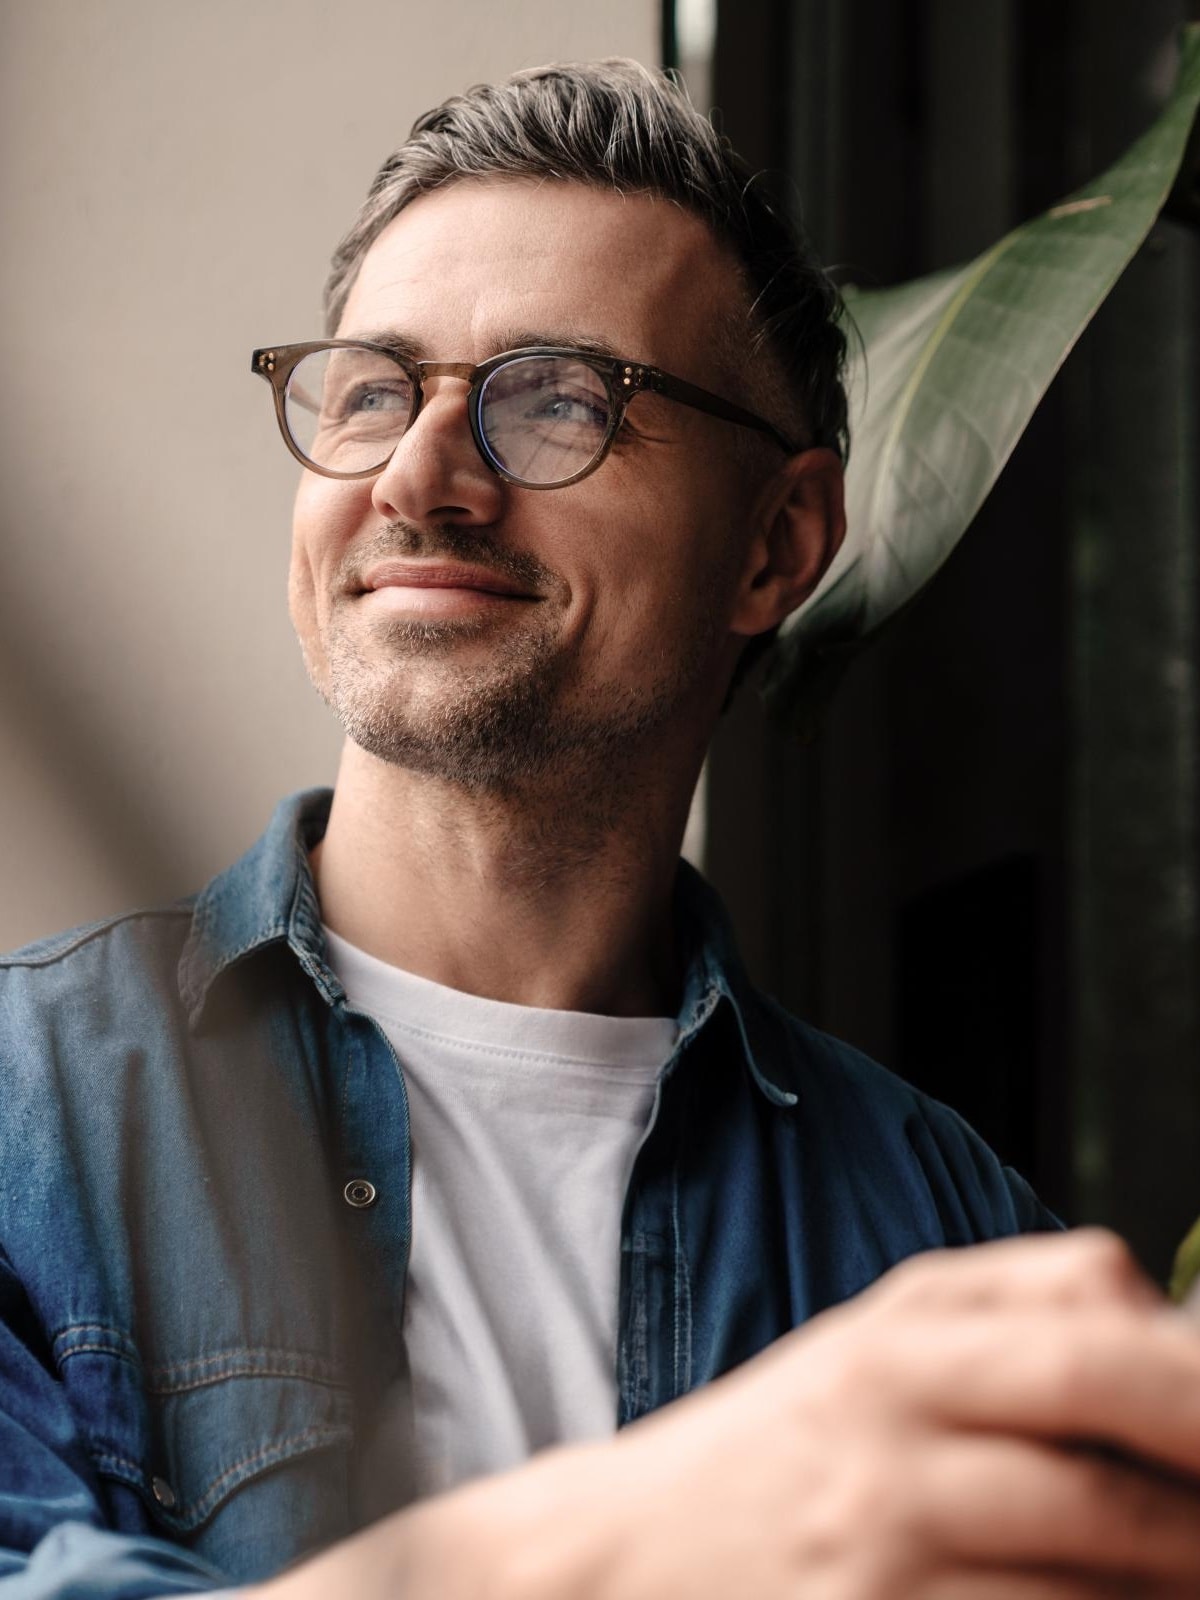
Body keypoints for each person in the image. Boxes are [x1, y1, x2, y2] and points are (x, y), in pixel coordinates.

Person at [4, 57, 1200, 1600]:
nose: (420, 478)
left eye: (557, 399)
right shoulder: (28, 1113)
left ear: (775, 547)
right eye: (373, 389)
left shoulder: (944, 1233)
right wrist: (667, 1530)